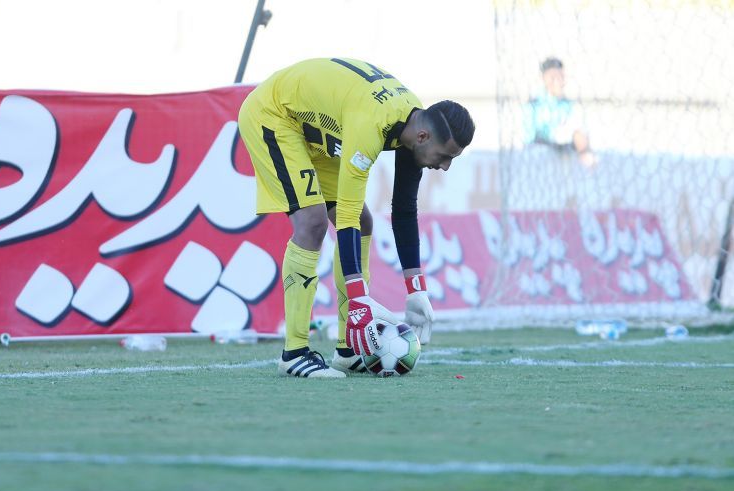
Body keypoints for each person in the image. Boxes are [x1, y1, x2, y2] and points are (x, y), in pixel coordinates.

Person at [238, 58, 475, 378]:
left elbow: (404, 209)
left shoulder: (415, 121)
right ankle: (293, 354)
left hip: (316, 127)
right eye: (445, 156)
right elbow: (345, 214)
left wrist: (416, 289)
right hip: (275, 113)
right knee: (313, 222)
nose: (445, 166)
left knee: (363, 223)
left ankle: (348, 348)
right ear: (422, 138)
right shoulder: (372, 125)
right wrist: (358, 298)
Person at [523, 57, 595, 167]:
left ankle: (587, 158)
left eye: (560, 77)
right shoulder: (534, 104)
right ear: (543, 78)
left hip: (566, 147)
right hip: (542, 149)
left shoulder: (568, 105)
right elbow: (529, 137)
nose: (557, 81)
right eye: (553, 77)